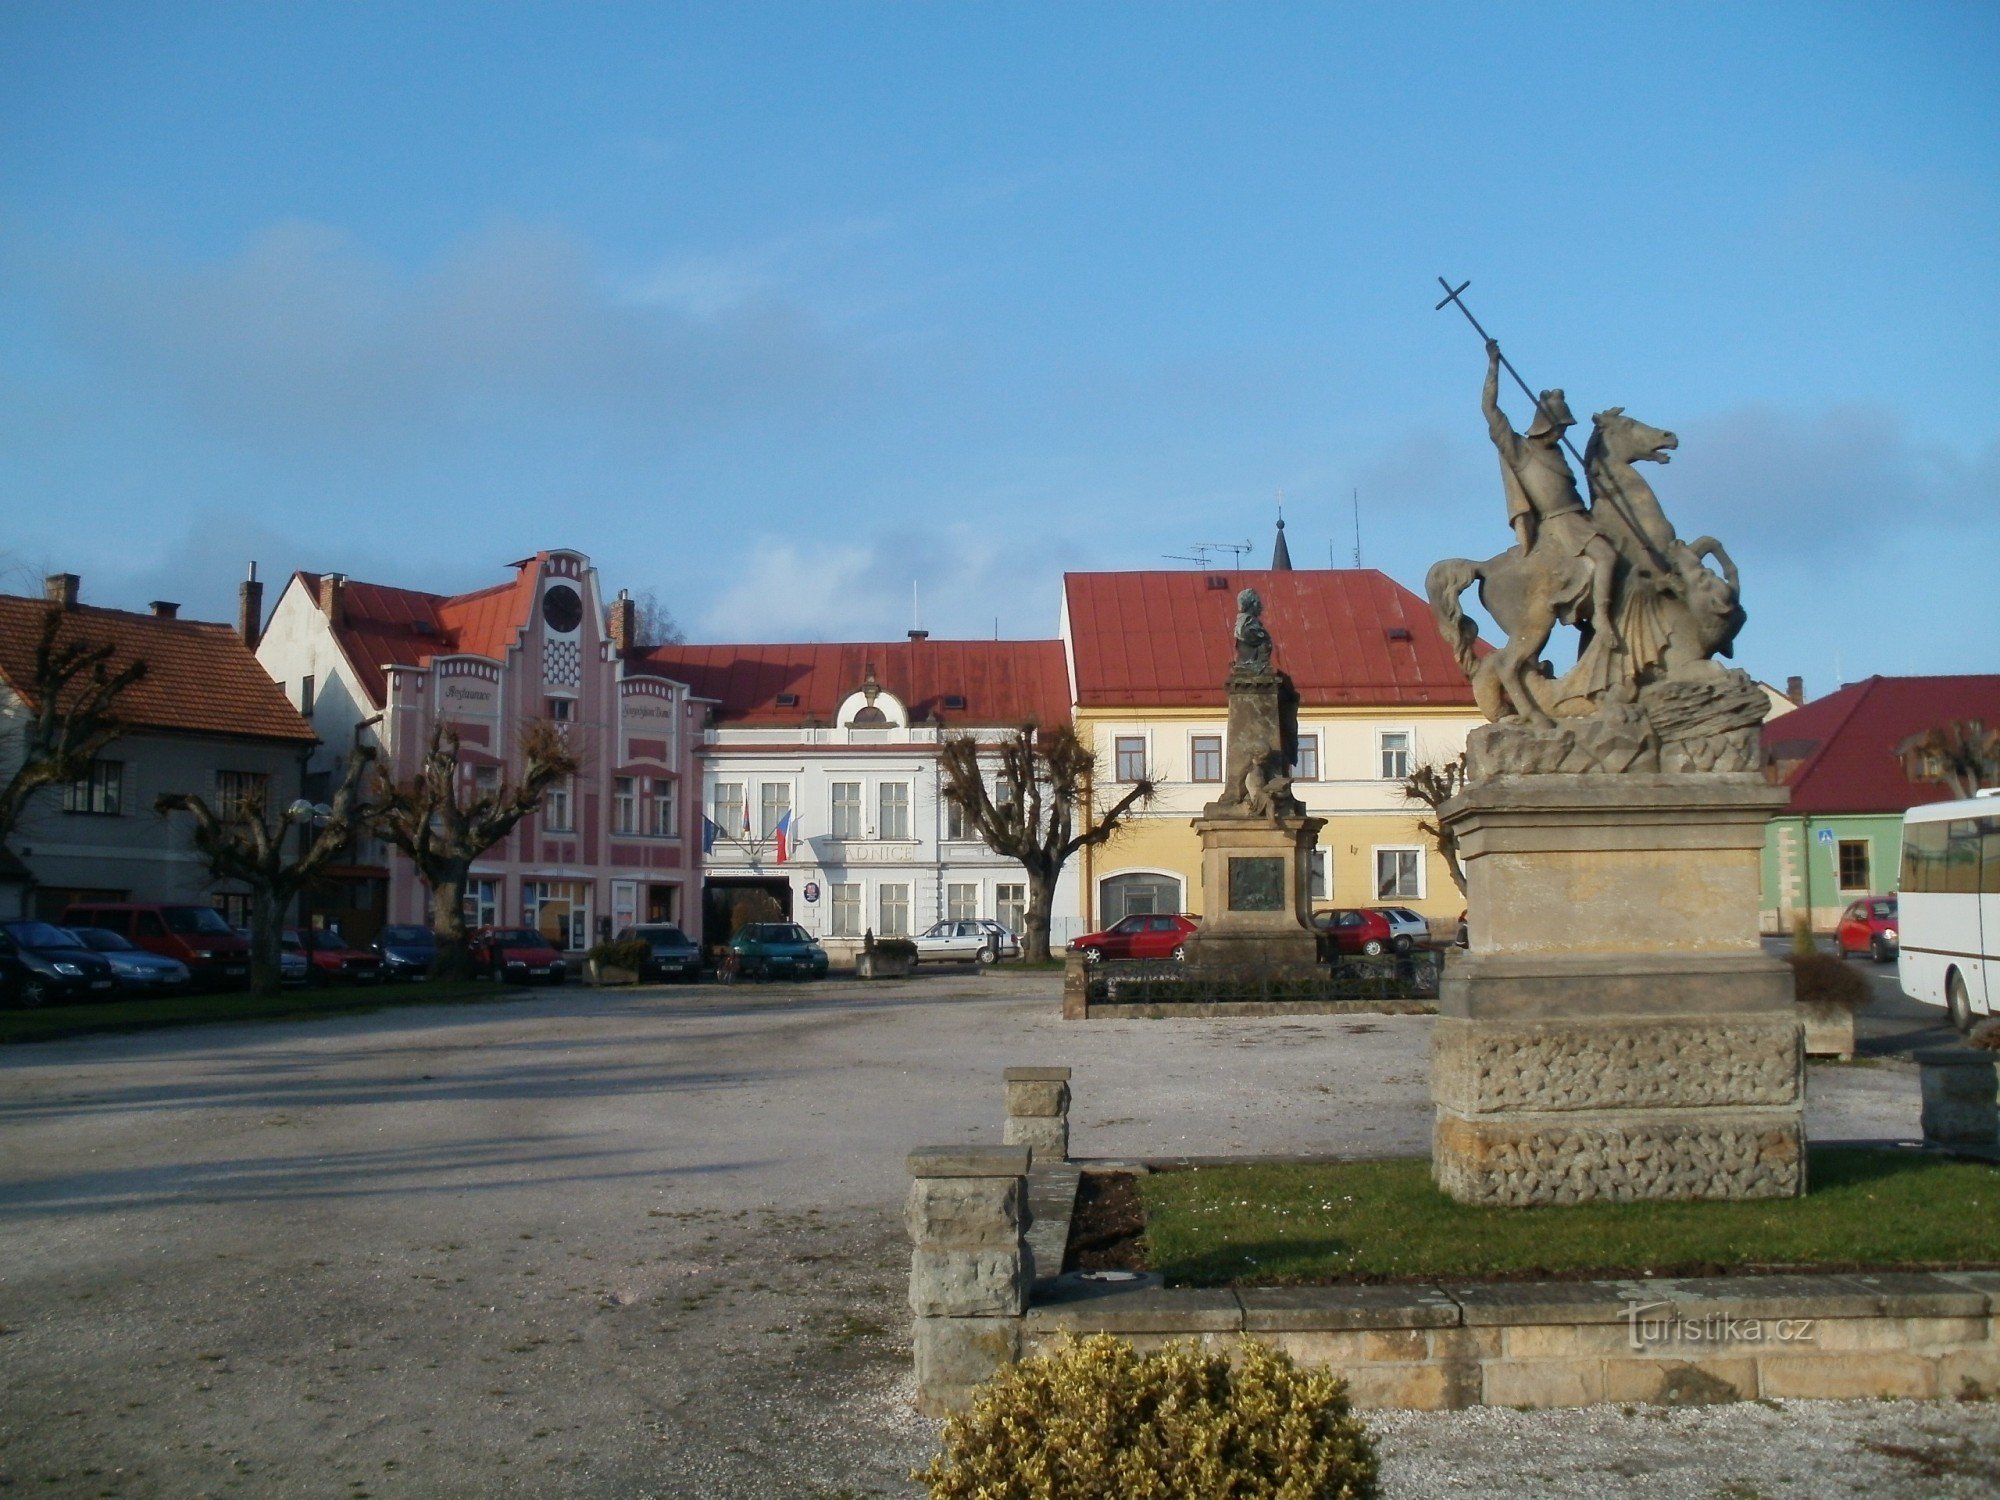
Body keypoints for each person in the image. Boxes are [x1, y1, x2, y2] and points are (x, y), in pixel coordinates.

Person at [1482, 340, 1623, 652]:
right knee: (1607, 556)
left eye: (1565, 427)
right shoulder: (1521, 451)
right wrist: (1493, 367)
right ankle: (1601, 615)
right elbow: (1490, 411)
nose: (1563, 433)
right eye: (1560, 427)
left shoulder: (1558, 451)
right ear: (1546, 425)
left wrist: (1599, 434)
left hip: (1582, 517)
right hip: (1560, 525)